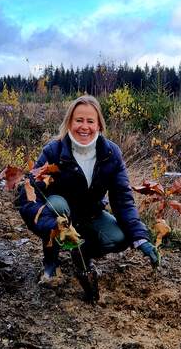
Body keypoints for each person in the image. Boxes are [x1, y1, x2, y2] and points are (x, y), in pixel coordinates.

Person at [17, 95, 160, 303]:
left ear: (99, 125)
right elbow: (29, 198)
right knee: (57, 205)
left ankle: (80, 253)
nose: (84, 127)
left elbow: (123, 200)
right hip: (59, 218)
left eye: (90, 121)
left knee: (120, 237)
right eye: (79, 120)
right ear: (69, 123)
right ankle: (51, 262)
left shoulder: (111, 154)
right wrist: (53, 226)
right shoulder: (53, 151)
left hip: (89, 216)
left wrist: (141, 238)